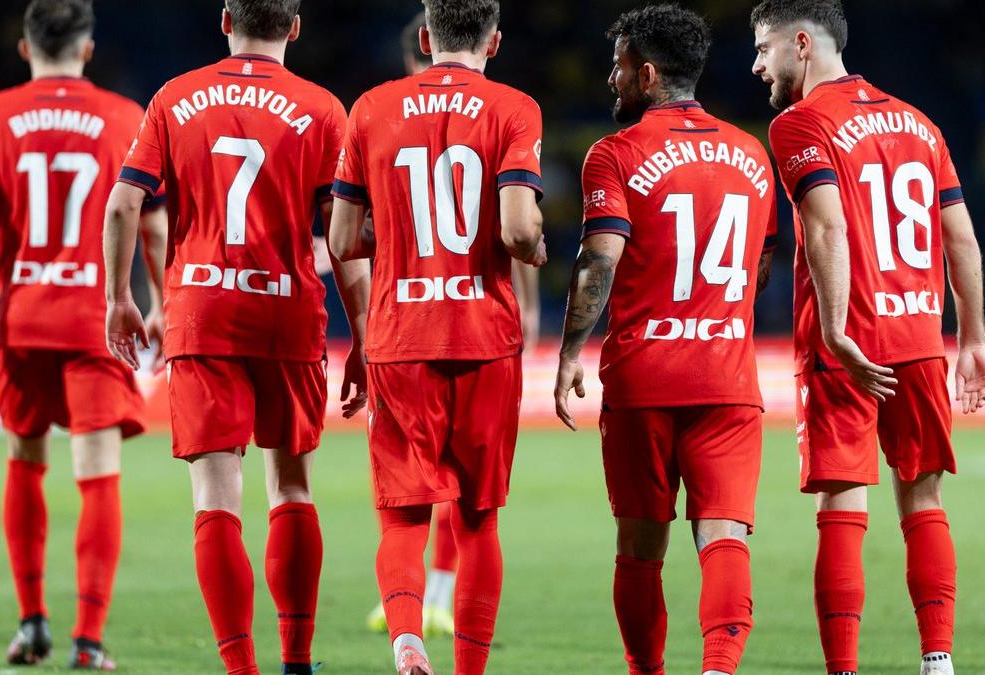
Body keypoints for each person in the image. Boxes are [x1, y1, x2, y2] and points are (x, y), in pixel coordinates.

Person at [103, 1, 368, 674]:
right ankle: (298, 661)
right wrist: (363, 332)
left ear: (224, 19)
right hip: (286, 311)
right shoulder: (322, 109)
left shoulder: (176, 96)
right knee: (292, 487)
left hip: (202, 309)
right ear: (297, 27)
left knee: (216, 498)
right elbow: (343, 239)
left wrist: (120, 299)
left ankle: (242, 669)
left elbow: (124, 201)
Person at [0, 0, 167, 668]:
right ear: (86, 50)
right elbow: (147, 221)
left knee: (26, 461)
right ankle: (87, 639)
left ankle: (31, 623)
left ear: (25, 50)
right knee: (96, 473)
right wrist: (161, 300)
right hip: (94, 320)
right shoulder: (123, 117)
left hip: (20, 321)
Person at [750, 1, 985, 674]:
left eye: (764, 48)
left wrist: (835, 328)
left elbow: (827, 228)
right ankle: (938, 661)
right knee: (923, 496)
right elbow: (962, 239)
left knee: (841, 501)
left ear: (802, 43)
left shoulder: (799, 123)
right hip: (919, 335)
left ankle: (845, 669)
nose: (756, 65)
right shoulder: (919, 121)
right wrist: (971, 335)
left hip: (847, 345)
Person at [553, 6, 776, 674]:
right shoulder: (751, 153)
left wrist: (569, 350)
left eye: (619, 65)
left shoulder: (615, 154)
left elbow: (599, 258)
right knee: (725, 535)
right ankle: (718, 669)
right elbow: (760, 265)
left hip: (645, 378)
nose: (611, 78)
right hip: (726, 380)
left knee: (640, 547)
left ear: (646, 73)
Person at [330, 0, 546, 671]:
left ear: (424, 38)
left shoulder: (370, 107)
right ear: (495, 40)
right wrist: (534, 244)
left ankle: (406, 639)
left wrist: (393, 234)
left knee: (402, 515)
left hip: (401, 335)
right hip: (484, 336)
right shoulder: (515, 108)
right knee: (478, 519)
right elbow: (516, 229)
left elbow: (341, 240)